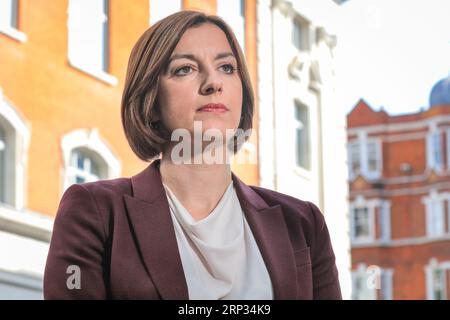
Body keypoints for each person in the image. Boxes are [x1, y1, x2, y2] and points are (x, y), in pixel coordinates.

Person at [44, 10, 341, 300]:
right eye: (185, 69)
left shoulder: (302, 223)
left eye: (227, 67)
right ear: (151, 99)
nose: (214, 83)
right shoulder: (96, 212)